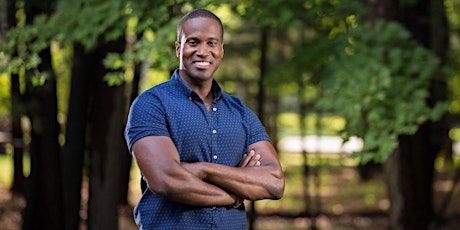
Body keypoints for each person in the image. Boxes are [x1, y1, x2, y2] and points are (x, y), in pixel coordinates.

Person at [124, 8, 284, 230]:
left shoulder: (240, 112)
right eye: (193, 42)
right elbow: (165, 180)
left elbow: (274, 183)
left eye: (211, 43)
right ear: (179, 49)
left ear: (221, 50)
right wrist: (234, 194)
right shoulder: (152, 104)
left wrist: (203, 169)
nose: (202, 51)